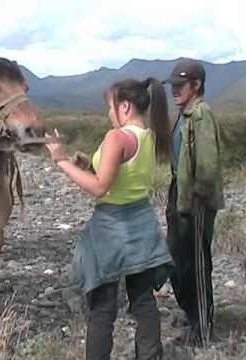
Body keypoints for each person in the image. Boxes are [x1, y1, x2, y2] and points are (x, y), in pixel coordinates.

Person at [46, 78, 173, 360]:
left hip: (112, 230)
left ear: (124, 106)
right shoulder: (148, 136)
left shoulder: (117, 137)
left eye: (109, 106)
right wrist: (89, 166)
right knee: (143, 301)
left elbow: (101, 187)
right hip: (142, 224)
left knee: (102, 309)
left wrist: (61, 161)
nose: (108, 113)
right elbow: (121, 176)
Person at [163, 60, 224, 347]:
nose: (175, 90)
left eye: (180, 85)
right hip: (180, 192)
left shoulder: (201, 115)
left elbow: (208, 166)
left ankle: (202, 329)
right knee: (176, 259)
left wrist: (195, 198)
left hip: (196, 199)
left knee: (197, 264)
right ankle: (191, 313)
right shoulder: (184, 114)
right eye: (173, 85)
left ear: (196, 85)